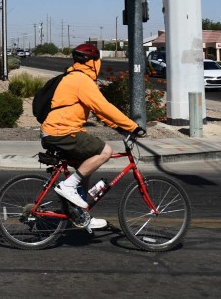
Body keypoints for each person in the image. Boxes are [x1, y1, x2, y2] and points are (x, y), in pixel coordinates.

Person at [40, 41, 145, 230]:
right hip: (61, 131)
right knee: (105, 151)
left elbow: (100, 112)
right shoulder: (81, 80)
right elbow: (103, 106)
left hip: (58, 130)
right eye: (98, 62)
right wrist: (133, 127)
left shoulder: (75, 76)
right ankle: (67, 187)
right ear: (92, 62)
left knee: (85, 165)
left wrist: (120, 128)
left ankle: (80, 215)